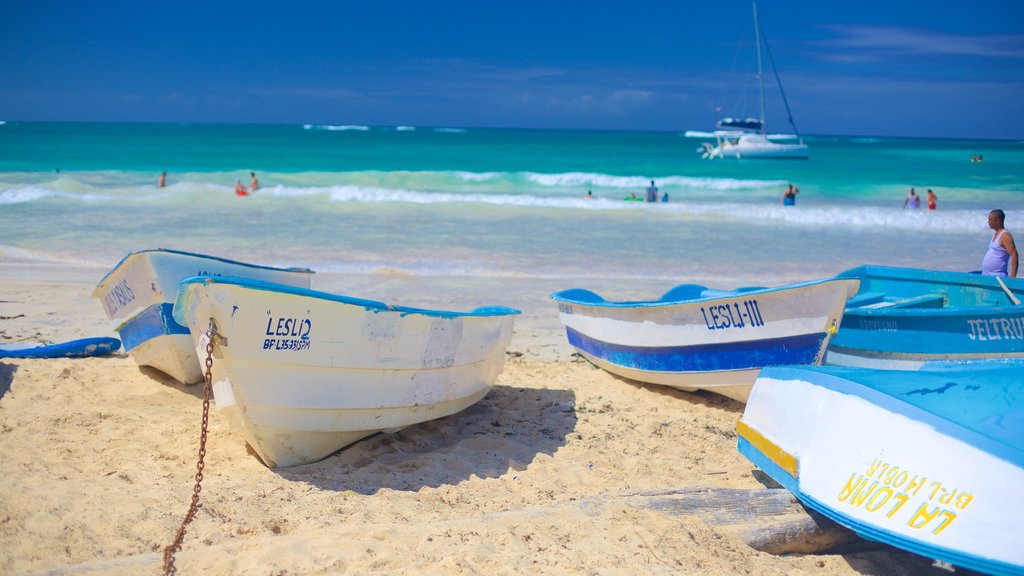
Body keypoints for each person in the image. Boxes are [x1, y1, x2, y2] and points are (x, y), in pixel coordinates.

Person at [981, 209, 1018, 277]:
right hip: (988, 276)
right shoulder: (996, 234)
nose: (988, 222)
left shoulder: (1005, 236)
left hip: (998, 276)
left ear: (997, 221)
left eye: (990, 219)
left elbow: (1014, 255)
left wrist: (1013, 275)